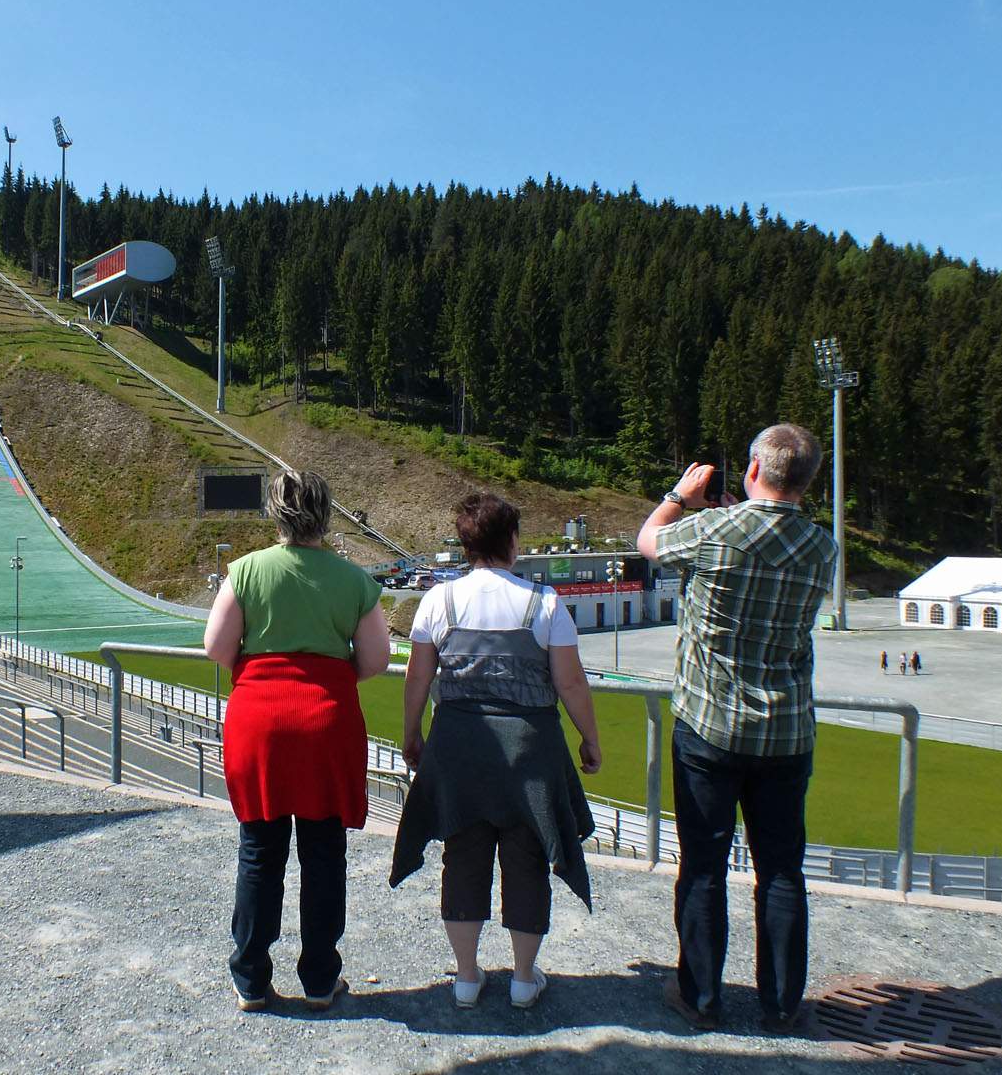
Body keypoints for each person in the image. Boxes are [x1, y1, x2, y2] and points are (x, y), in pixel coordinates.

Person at [637, 423, 836, 1033]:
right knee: (781, 870)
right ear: (808, 480)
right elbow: (768, 539)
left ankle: (700, 997)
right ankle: (780, 1003)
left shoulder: (716, 530)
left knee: (703, 864)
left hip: (710, 727)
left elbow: (650, 541)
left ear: (753, 469)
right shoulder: (823, 547)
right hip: (785, 731)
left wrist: (679, 493)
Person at [390, 492, 603, 1011]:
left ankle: (466, 978)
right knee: (527, 857)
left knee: (462, 854)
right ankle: (524, 979)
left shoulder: (440, 601)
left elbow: (420, 675)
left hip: (460, 747)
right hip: (531, 750)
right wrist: (589, 738)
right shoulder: (544, 602)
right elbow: (571, 683)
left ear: (464, 544)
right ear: (511, 539)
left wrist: (412, 732)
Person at [204, 469, 391, 1013]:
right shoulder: (354, 579)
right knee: (324, 852)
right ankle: (318, 977)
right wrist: (328, 679)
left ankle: (251, 979)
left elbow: (217, 646)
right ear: (325, 511)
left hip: (258, 721)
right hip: (326, 724)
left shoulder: (244, 570)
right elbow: (377, 659)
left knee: (260, 850)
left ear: (276, 512)